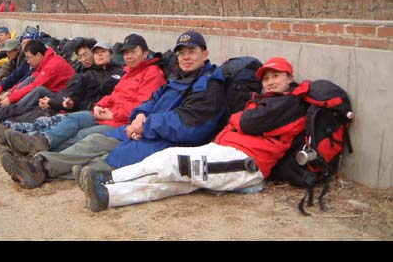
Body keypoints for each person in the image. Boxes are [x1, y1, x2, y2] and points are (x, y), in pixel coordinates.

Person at [0, 30, 227, 191]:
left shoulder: (208, 87)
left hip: (164, 141)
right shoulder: (178, 78)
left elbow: (189, 126)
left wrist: (143, 124)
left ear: (205, 54)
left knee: (102, 160)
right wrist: (139, 115)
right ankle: (38, 160)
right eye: (181, 53)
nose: (185, 57)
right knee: (93, 141)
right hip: (140, 129)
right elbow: (150, 101)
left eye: (191, 52)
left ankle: (41, 168)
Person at [76, 56, 310, 212]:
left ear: (289, 78)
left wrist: (237, 120)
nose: (269, 82)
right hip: (226, 150)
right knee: (173, 181)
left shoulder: (290, 103)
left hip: (246, 163)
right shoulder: (265, 101)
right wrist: (239, 121)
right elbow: (246, 122)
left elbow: (246, 122)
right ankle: (109, 195)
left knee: (172, 162)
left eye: (276, 76)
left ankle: (108, 178)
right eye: (266, 78)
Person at [0, 34, 166, 157]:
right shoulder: (122, 72)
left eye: (133, 52)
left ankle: (37, 153)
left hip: (119, 120)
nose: (128, 56)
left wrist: (112, 113)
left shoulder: (144, 73)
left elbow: (143, 106)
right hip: (90, 110)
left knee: (79, 132)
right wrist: (99, 106)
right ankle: (38, 140)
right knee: (70, 118)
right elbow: (111, 95)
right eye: (126, 53)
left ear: (145, 53)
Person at [0, 39, 125, 150]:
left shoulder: (117, 74)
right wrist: (6, 92)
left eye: (102, 52)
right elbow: (71, 94)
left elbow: (91, 98)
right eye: (81, 56)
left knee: (42, 113)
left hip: (79, 109)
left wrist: (53, 102)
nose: (83, 59)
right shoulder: (86, 72)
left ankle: (3, 127)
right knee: (35, 108)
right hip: (67, 103)